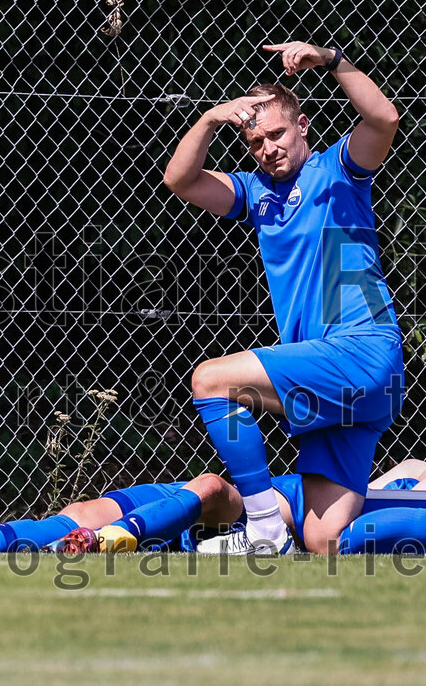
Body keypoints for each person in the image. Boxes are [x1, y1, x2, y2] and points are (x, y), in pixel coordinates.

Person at [163, 41, 405, 555]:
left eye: (277, 133)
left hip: (360, 349)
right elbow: (179, 180)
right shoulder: (254, 193)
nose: (268, 147)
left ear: (303, 127)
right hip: (338, 377)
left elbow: (384, 119)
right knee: (325, 539)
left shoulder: (337, 172)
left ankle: (265, 527)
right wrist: (209, 119)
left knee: (211, 380)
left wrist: (332, 59)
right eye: (255, 142)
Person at [0, 455, 426, 556]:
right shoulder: (398, 481)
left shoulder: (385, 507)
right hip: (276, 503)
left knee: (205, 487)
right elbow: (406, 473)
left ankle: (118, 537)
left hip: (266, 522)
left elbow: (402, 488)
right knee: (85, 507)